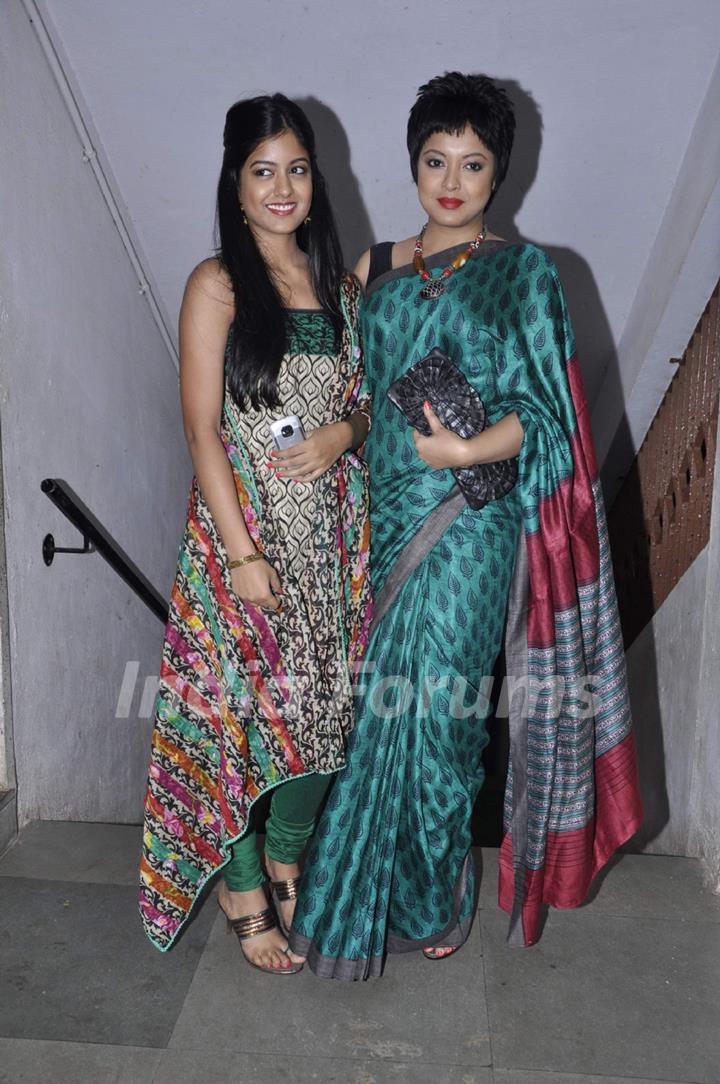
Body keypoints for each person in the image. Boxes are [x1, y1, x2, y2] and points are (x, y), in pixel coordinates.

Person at [288, 71, 642, 979]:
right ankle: (363, 893)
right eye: (435, 159)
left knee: (444, 718)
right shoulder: (374, 269)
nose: (451, 180)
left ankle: (432, 895)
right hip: (387, 520)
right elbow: (360, 396)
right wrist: (336, 433)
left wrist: (465, 450)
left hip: (475, 524)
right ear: (412, 163)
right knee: (378, 715)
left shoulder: (524, 272)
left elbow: (550, 413)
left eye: (473, 163)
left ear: (500, 174)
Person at [138, 94, 372, 974]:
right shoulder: (218, 283)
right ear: (236, 184)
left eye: (297, 170)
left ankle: (286, 853)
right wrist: (240, 556)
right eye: (262, 171)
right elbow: (201, 428)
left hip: (334, 546)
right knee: (238, 719)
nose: (282, 188)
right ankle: (244, 885)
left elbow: (364, 412)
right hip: (242, 542)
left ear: (317, 181)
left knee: (324, 721)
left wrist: (344, 434)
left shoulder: (345, 289)